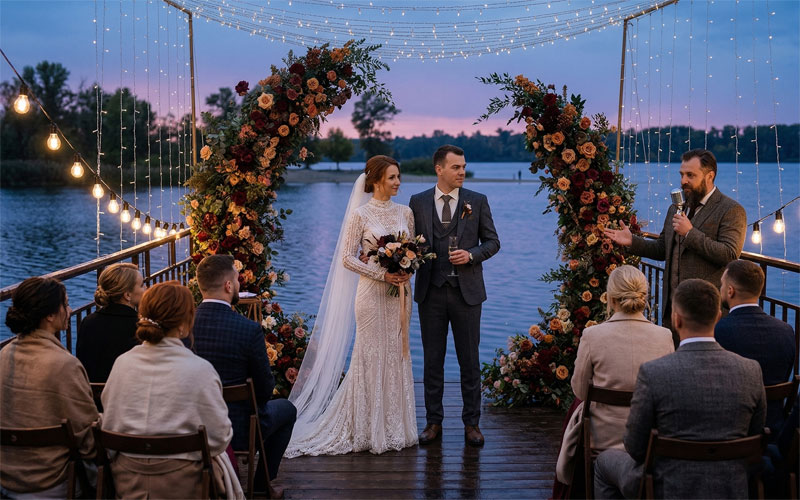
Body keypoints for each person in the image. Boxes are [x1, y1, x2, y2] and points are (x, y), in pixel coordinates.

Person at [286, 155, 418, 457]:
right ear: (374, 181)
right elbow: (346, 257)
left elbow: (414, 251)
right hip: (371, 295)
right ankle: (366, 426)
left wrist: (408, 269)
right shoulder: (359, 215)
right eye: (392, 178)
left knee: (398, 353)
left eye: (399, 177)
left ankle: (396, 425)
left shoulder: (406, 212)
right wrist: (382, 273)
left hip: (401, 294)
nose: (398, 182)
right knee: (369, 354)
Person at [593, 279, 766, 499]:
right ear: (718, 317)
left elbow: (635, 448)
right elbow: (754, 436)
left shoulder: (654, 373)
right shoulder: (751, 371)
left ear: (676, 320)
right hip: (731, 486)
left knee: (603, 463)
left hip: (666, 488)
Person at [101, 281, 242, 499]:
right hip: (186, 486)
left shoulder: (122, 364)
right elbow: (220, 438)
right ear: (184, 325)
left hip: (128, 482)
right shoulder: (200, 370)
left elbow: (109, 424)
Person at [409, 144, 501, 447]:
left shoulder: (477, 200)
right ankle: (433, 422)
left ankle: (471, 423)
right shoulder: (418, 202)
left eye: (463, 167)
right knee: (432, 361)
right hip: (430, 292)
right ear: (439, 169)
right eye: (456, 167)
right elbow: (411, 245)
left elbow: (492, 242)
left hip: (467, 294)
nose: (462, 172)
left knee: (470, 361)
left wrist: (472, 255)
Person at [604, 149, 746, 337]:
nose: (683, 181)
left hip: (705, 316)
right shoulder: (676, 208)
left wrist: (690, 234)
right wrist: (632, 241)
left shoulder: (731, 210)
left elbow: (729, 254)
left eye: (690, 175)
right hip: (672, 312)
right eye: (682, 174)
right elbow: (663, 248)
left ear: (709, 176)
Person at [191, 254, 296, 492]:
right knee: (287, 409)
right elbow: (264, 389)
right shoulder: (248, 329)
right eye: (237, 280)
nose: (239, 285)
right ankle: (260, 488)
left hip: (191, 425)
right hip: (237, 429)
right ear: (228, 285)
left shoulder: (184, 324)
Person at [1, 277, 99, 498]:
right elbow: (89, 438)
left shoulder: (4, 355)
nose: (70, 309)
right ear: (50, 315)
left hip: (7, 478)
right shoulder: (64, 365)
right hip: (52, 482)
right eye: (65, 304)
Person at [571, 265, 674, 454]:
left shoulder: (592, 335)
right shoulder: (664, 336)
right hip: (647, 444)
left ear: (610, 298)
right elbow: (668, 393)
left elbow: (580, 390)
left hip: (600, 443)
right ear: (644, 295)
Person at [715, 259, 795, 432]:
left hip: (733, 431)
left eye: (721, 284)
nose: (719, 289)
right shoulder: (787, 331)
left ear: (730, 291)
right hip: (774, 428)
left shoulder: (720, 331)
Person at [76, 263, 145, 383]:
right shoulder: (140, 326)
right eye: (142, 285)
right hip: (126, 396)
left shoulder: (88, 322)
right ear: (127, 295)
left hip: (93, 395)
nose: (146, 288)